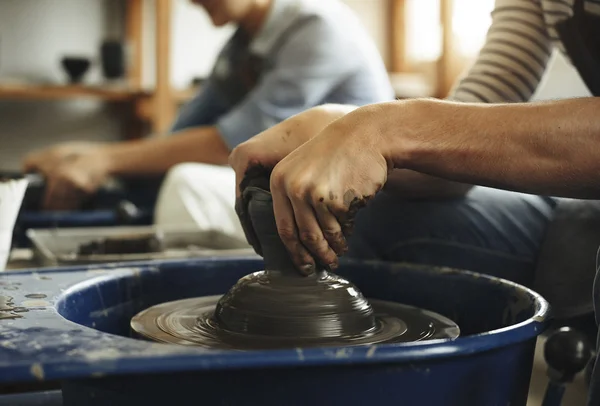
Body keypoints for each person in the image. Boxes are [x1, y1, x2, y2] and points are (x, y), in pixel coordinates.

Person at [22, 0, 393, 241]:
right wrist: (86, 155)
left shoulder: (320, 27)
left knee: (187, 184)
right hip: (288, 185)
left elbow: (233, 145)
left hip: (360, 199)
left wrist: (102, 160)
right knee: (143, 185)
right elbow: (184, 132)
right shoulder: (242, 45)